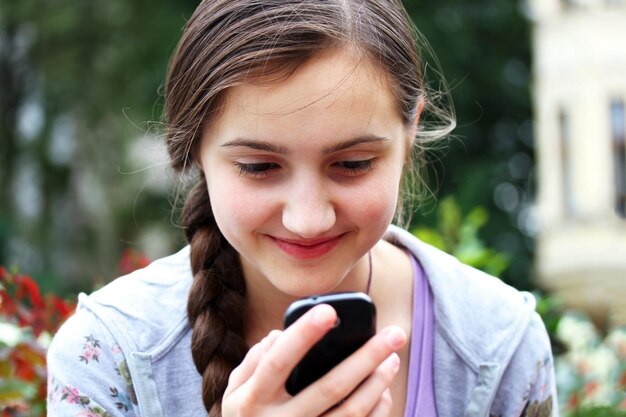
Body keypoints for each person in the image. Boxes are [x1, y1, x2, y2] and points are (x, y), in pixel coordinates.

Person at [46, 1, 557, 416]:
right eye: (259, 167)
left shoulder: (498, 347)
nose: (307, 219)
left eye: (353, 163)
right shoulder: (110, 356)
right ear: (196, 148)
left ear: (409, 134)